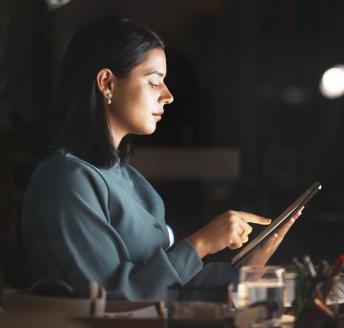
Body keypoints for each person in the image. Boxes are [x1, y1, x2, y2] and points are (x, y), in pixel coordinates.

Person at [20, 17, 302, 300]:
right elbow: (110, 299)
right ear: (107, 83)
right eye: (154, 82)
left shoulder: (131, 180)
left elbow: (170, 285)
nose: (168, 96)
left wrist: (249, 266)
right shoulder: (67, 181)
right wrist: (201, 243)